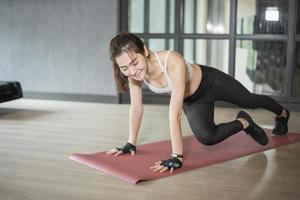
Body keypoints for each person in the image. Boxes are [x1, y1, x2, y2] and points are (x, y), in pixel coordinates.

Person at [106, 32, 290, 174]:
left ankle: (282, 113)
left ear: (144, 51)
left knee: (250, 100)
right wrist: (131, 142)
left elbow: (174, 113)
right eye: (124, 68)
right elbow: (136, 109)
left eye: (134, 62)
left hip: (211, 83)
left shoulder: (172, 60)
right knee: (207, 138)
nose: (131, 70)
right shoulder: (133, 75)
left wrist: (176, 156)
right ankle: (244, 122)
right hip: (193, 101)